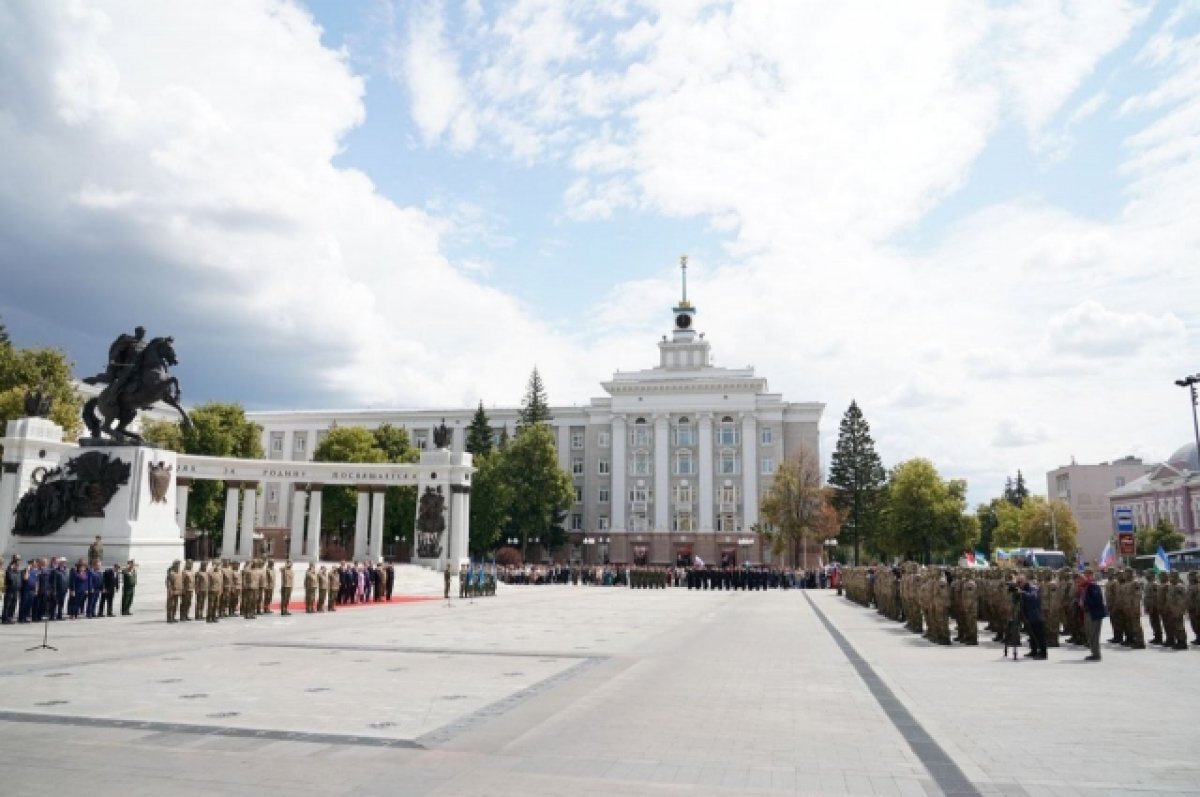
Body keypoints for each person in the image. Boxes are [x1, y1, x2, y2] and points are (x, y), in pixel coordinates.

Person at [1017, 573, 1047, 660]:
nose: (1019, 584)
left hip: (1036, 615)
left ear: (1025, 581)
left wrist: (1022, 593)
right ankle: (1033, 650)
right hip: (1029, 615)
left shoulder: (1032, 587)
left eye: (1020, 582)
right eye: (1018, 582)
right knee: (1031, 634)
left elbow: (1033, 597)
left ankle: (1043, 653)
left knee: (1039, 635)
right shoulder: (1023, 588)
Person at [1080, 569, 1108, 661]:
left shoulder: (1094, 586)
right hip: (1088, 612)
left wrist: (1085, 602)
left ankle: (1096, 654)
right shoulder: (1086, 586)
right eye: (1085, 574)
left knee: (1094, 634)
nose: (1085, 576)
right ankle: (1093, 652)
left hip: (1094, 613)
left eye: (1088, 574)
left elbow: (1097, 600)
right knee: (1089, 633)